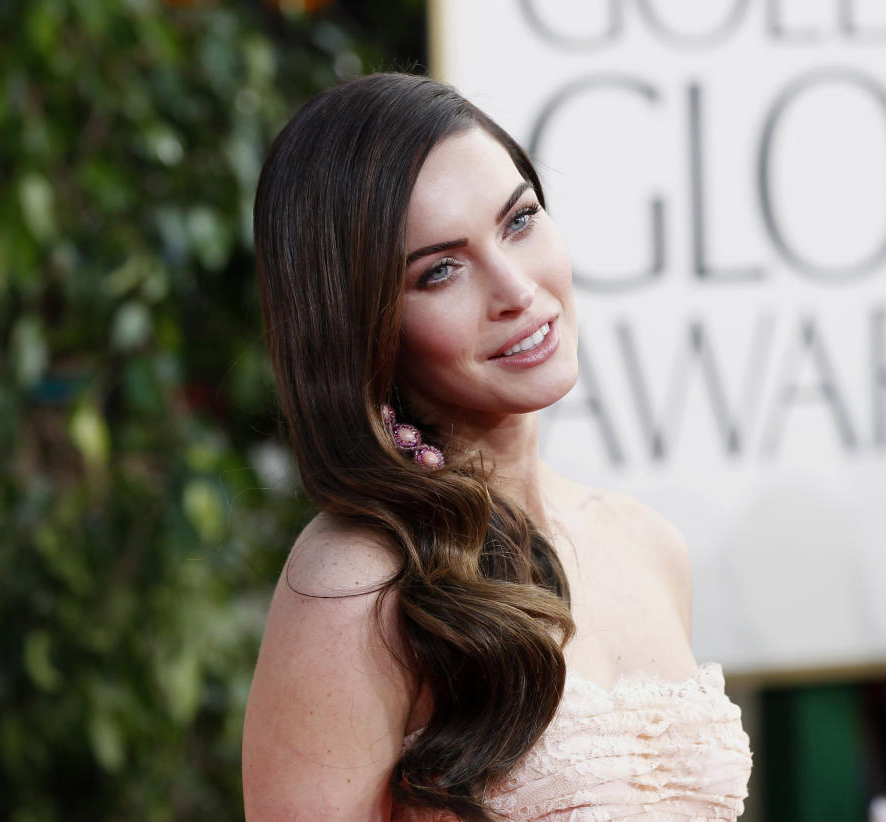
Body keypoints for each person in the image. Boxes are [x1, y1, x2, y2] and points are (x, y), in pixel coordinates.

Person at [241, 73, 751, 821]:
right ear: (364, 325)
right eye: (440, 271)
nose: (516, 288)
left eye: (519, 221)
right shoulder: (361, 587)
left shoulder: (648, 545)